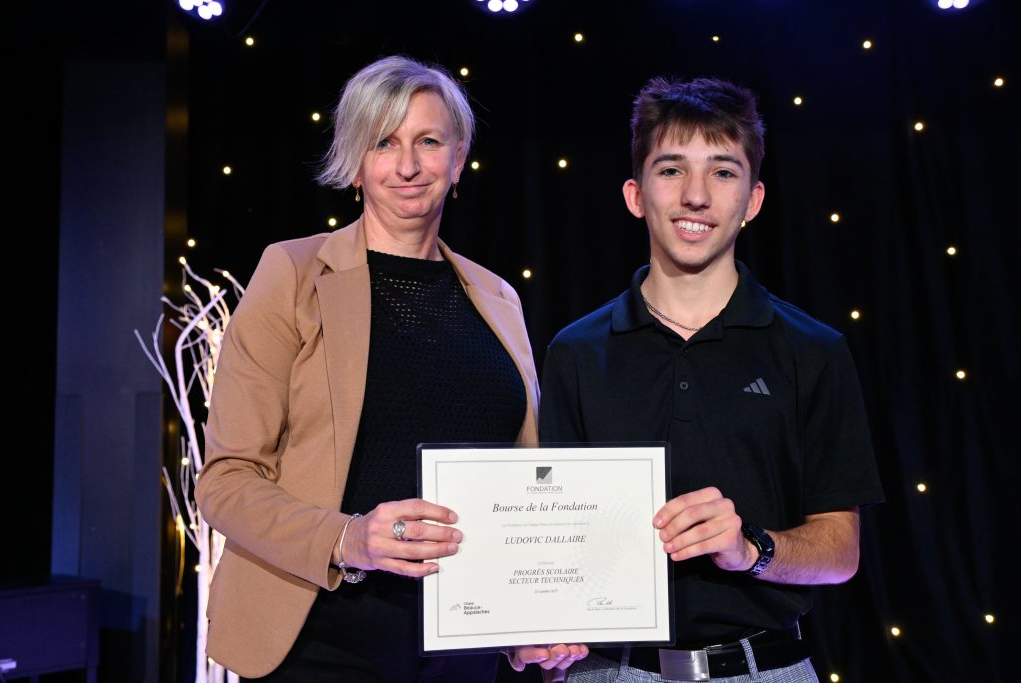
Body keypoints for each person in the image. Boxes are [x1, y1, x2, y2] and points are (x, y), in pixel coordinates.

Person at [195, 55, 586, 682]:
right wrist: (349, 538)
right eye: (384, 143)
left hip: (464, 640)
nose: (407, 166)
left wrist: (528, 619)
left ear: (457, 161)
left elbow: (521, 484)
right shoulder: (292, 276)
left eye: (428, 142)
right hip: (321, 636)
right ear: (355, 162)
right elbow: (225, 482)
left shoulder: (498, 298)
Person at [538, 76, 884, 682]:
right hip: (607, 670)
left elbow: (841, 550)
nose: (696, 195)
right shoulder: (575, 352)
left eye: (722, 172)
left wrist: (751, 549)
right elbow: (547, 532)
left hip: (764, 668)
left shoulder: (813, 350)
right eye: (671, 170)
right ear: (635, 194)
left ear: (752, 200)